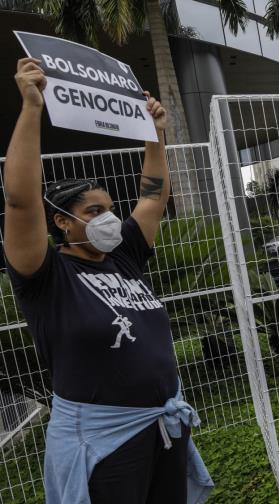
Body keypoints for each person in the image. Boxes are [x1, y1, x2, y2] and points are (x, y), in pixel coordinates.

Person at [4, 58, 212, 504]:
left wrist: (154, 133)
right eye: (94, 211)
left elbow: (154, 196)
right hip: (104, 443)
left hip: (163, 427)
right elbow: (21, 201)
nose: (109, 219)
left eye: (110, 208)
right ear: (61, 221)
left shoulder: (123, 257)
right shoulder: (46, 276)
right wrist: (31, 107)